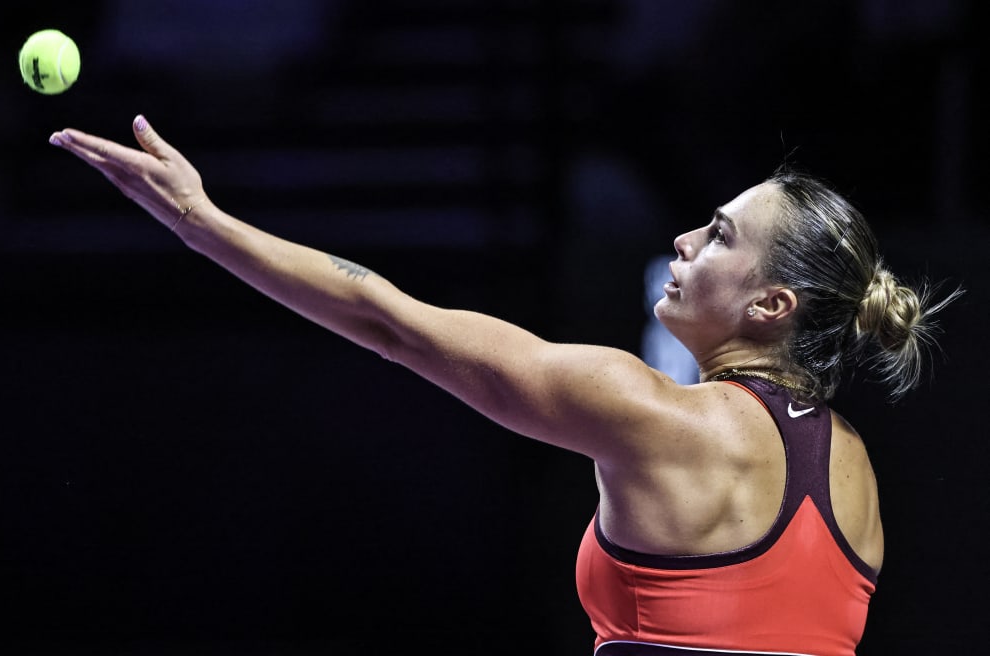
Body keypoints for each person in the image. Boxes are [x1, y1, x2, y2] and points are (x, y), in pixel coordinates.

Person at [48, 115, 960, 656]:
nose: (685, 242)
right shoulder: (857, 468)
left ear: (771, 304)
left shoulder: (652, 412)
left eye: (719, 235)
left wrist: (204, 224)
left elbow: (391, 324)